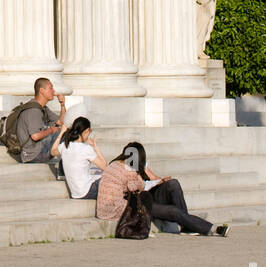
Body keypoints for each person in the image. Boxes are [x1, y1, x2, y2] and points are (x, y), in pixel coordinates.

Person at [97, 141, 230, 237]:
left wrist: (154, 181)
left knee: (173, 184)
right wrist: (146, 180)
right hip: (121, 207)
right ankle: (213, 229)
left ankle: (187, 226)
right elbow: (137, 188)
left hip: (131, 200)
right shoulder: (128, 169)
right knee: (173, 211)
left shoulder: (117, 164)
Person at [17, 78, 66, 174]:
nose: (54, 91)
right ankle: (64, 170)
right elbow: (35, 136)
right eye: (51, 88)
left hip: (38, 150)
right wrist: (51, 130)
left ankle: (65, 167)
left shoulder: (42, 108)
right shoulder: (33, 110)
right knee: (63, 133)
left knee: (66, 131)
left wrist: (62, 105)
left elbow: (61, 122)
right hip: (31, 155)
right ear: (42, 91)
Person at [51, 116, 106, 200]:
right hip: (87, 192)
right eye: (89, 132)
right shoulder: (86, 149)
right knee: (112, 176)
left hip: (76, 194)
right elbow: (105, 166)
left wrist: (61, 133)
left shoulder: (65, 146)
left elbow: (53, 151)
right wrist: (96, 147)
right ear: (86, 131)